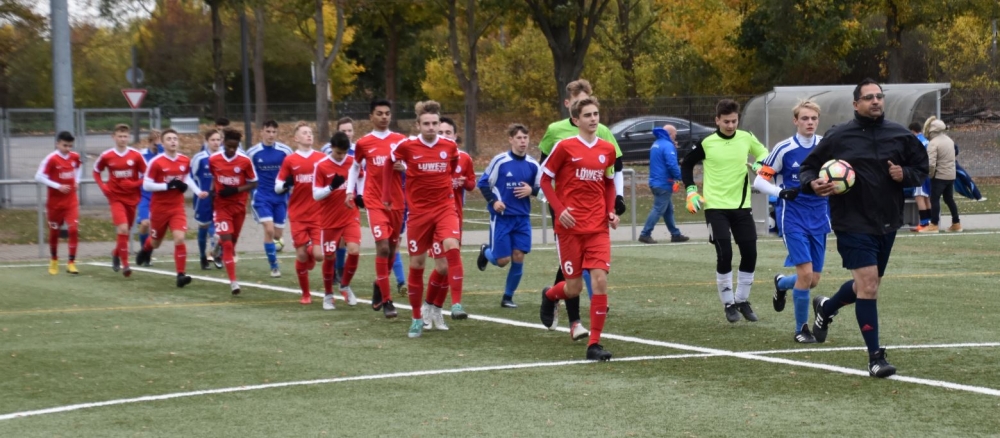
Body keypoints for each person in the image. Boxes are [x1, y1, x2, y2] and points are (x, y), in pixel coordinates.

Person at [800, 78, 928, 378]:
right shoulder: (839, 136)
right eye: (869, 97)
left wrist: (905, 174)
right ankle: (875, 357)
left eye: (879, 96)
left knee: (865, 287)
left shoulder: (899, 135)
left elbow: (922, 169)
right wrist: (812, 183)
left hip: (887, 222)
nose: (875, 101)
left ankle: (826, 308)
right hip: (851, 222)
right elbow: (808, 168)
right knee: (869, 286)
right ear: (856, 104)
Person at [536, 78, 625, 340]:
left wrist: (610, 211)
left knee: (599, 281)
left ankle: (594, 343)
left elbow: (609, 182)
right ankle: (550, 295)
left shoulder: (607, 149)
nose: (593, 119)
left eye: (596, 114)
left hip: (597, 226)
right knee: (573, 288)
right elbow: (544, 179)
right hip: (570, 227)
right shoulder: (564, 146)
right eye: (587, 115)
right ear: (576, 120)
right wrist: (559, 208)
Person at [681, 99, 769, 323]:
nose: (730, 125)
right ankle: (728, 303)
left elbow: (763, 152)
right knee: (725, 253)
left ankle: (742, 300)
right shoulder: (707, 142)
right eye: (726, 121)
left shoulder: (746, 137)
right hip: (715, 207)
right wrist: (691, 190)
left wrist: (760, 164)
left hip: (742, 207)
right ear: (717, 120)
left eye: (734, 121)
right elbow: (687, 164)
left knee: (750, 253)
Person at [384, 100, 465, 338]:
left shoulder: (449, 146)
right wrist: (387, 194)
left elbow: (453, 165)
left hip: (445, 208)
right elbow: (389, 162)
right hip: (418, 214)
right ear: (418, 125)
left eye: (435, 123)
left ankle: (457, 304)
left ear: (439, 124)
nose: (431, 127)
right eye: (426, 123)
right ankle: (417, 318)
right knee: (417, 265)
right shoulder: (407, 146)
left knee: (452, 247)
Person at [753, 100, 829, 343]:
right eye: (805, 118)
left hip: (820, 217)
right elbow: (759, 181)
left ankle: (781, 284)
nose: (810, 122)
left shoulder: (826, 146)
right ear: (795, 121)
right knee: (805, 274)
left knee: (813, 279)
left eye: (814, 118)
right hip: (793, 218)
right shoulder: (784, 148)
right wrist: (781, 192)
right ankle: (801, 329)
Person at [347, 99, 408, 318]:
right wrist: (350, 191)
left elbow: (411, 164)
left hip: (397, 202)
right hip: (374, 201)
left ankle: (378, 284)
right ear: (371, 116)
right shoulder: (364, 143)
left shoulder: (400, 140)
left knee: (392, 249)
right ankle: (388, 300)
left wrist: (403, 167)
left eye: (387, 113)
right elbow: (355, 167)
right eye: (379, 113)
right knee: (382, 248)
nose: (384, 117)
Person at [476, 123, 540, 309]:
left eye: (525, 138)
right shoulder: (500, 161)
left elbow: (543, 190)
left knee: (518, 256)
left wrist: (532, 190)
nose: (523, 141)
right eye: (519, 138)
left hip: (522, 218)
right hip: (502, 217)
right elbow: (483, 183)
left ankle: (507, 297)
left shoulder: (533, 165)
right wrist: (494, 201)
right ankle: (486, 251)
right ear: (511, 140)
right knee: (502, 261)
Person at [137, 128, 206, 287]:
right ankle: (145, 249)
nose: (173, 141)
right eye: (169, 139)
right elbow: (146, 185)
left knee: (179, 238)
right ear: (162, 143)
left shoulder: (184, 160)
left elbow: (186, 177)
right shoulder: (156, 162)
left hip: (177, 207)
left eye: (175, 138)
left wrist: (198, 191)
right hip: (159, 208)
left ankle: (180, 275)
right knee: (156, 243)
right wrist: (167, 186)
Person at [424, 116, 476, 320]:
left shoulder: (464, 158)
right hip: (433, 218)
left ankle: (443, 308)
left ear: (455, 136)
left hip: (454, 216)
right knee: (442, 267)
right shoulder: (429, 157)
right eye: (441, 132)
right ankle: (428, 306)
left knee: (451, 260)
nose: (444, 136)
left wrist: (464, 182)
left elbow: (472, 183)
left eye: (448, 133)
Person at [275, 122, 326, 305]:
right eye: (304, 133)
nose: (309, 135)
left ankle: (312, 249)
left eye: (310, 132)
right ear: (296, 138)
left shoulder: (321, 158)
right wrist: (286, 184)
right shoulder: (290, 160)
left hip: (318, 214)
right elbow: (278, 186)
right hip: (297, 215)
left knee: (319, 256)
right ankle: (306, 294)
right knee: (302, 256)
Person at [313, 131, 362, 310]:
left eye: (344, 153)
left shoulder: (352, 163)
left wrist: (360, 195)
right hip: (329, 219)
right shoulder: (321, 166)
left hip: (350, 215)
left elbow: (362, 177)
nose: (341, 156)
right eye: (338, 153)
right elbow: (316, 195)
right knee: (329, 257)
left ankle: (345, 285)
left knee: (354, 250)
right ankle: (328, 295)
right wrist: (331, 187)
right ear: (331, 147)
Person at [93, 124, 147, 277]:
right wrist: (103, 187)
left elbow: (148, 174)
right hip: (115, 197)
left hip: (132, 197)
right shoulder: (107, 155)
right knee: (122, 228)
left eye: (125, 136)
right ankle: (125, 264)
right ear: (114, 137)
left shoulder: (136, 155)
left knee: (126, 230)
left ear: (128, 137)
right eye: (120, 136)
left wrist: (134, 184)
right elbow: (96, 171)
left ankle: (116, 253)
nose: (123, 139)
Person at [208, 129, 258, 295]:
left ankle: (217, 248)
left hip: (239, 206)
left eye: (234, 147)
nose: (231, 150)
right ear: (223, 143)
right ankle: (234, 283)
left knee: (232, 241)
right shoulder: (214, 159)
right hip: (221, 206)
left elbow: (254, 183)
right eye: (229, 146)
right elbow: (215, 177)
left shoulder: (244, 160)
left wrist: (235, 190)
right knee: (228, 244)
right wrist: (212, 192)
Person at [247, 120, 293, 278]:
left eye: (274, 132)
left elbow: (293, 169)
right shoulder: (253, 153)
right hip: (261, 196)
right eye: (268, 131)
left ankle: (274, 248)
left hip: (280, 197)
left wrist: (290, 185)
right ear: (262, 132)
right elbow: (246, 173)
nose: (271, 135)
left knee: (277, 235)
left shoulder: (285, 151)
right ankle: (274, 266)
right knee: (269, 229)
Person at [36, 131, 82, 275]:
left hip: (71, 201)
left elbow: (78, 168)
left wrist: (77, 181)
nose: (68, 148)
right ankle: (54, 259)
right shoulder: (51, 159)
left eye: (70, 146)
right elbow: (38, 176)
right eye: (65, 145)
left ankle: (71, 263)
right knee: (54, 232)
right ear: (57, 144)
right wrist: (58, 186)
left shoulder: (75, 157)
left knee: (73, 229)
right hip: (55, 203)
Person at [639, 124, 689, 244]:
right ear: (670, 134)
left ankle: (675, 234)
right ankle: (645, 234)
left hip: (655, 182)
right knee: (658, 209)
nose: (676, 137)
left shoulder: (656, 144)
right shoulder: (667, 145)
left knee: (668, 210)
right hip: (664, 183)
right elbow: (672, 164)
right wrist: (680, 177)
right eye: (675, 135)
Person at [923, 116, 962, 233]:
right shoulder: (949, 140)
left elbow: (931, 163)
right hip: (950, 175)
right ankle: (956, 223)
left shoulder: (933, 143)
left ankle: (934, 224)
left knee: (934, 199)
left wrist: (930, 175)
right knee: (949, 199)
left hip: (939, 175)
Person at [191, 130, 222, 270]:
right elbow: (190, 177)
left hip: (220, 198)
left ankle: (218, 254)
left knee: (220, 228)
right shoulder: (199, 158)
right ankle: (203, 257)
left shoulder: (224, 157)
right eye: (213, 140)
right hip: (203, 199)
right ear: (207, 141)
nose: (216, 142)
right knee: (203, 227)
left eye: (218, 140)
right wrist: (198, 192)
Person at [135, 130, 164, 265]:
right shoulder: (141, 155)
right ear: (149, 142)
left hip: (159, 196)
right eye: (155, 144)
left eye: (159, 144)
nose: (157, 147)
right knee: (145, 224)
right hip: (144, 196)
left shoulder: (163, 154)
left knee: (155, 229)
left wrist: (161, 147)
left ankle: (147, 253)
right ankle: (144, 253)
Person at [907, 122, 933, 231]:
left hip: (919, 173)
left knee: (919, 197)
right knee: (927, 197)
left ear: (912, 131)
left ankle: (923, 223)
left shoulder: (916, 141)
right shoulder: (927, 141)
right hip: (927, 172)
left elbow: (913, 157)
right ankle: (931, 223)